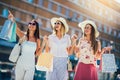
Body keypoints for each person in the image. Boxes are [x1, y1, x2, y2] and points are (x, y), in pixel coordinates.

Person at [8, 11, 41, 80]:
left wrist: (42, 45)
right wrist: (12, 19)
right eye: (30, 23)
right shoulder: (23, 35)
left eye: (33, 24)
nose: (31, 24)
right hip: (21, 63)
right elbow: (16, 29)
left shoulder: (37, 40)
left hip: (31, 65)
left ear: (36, 27)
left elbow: (37, 54)